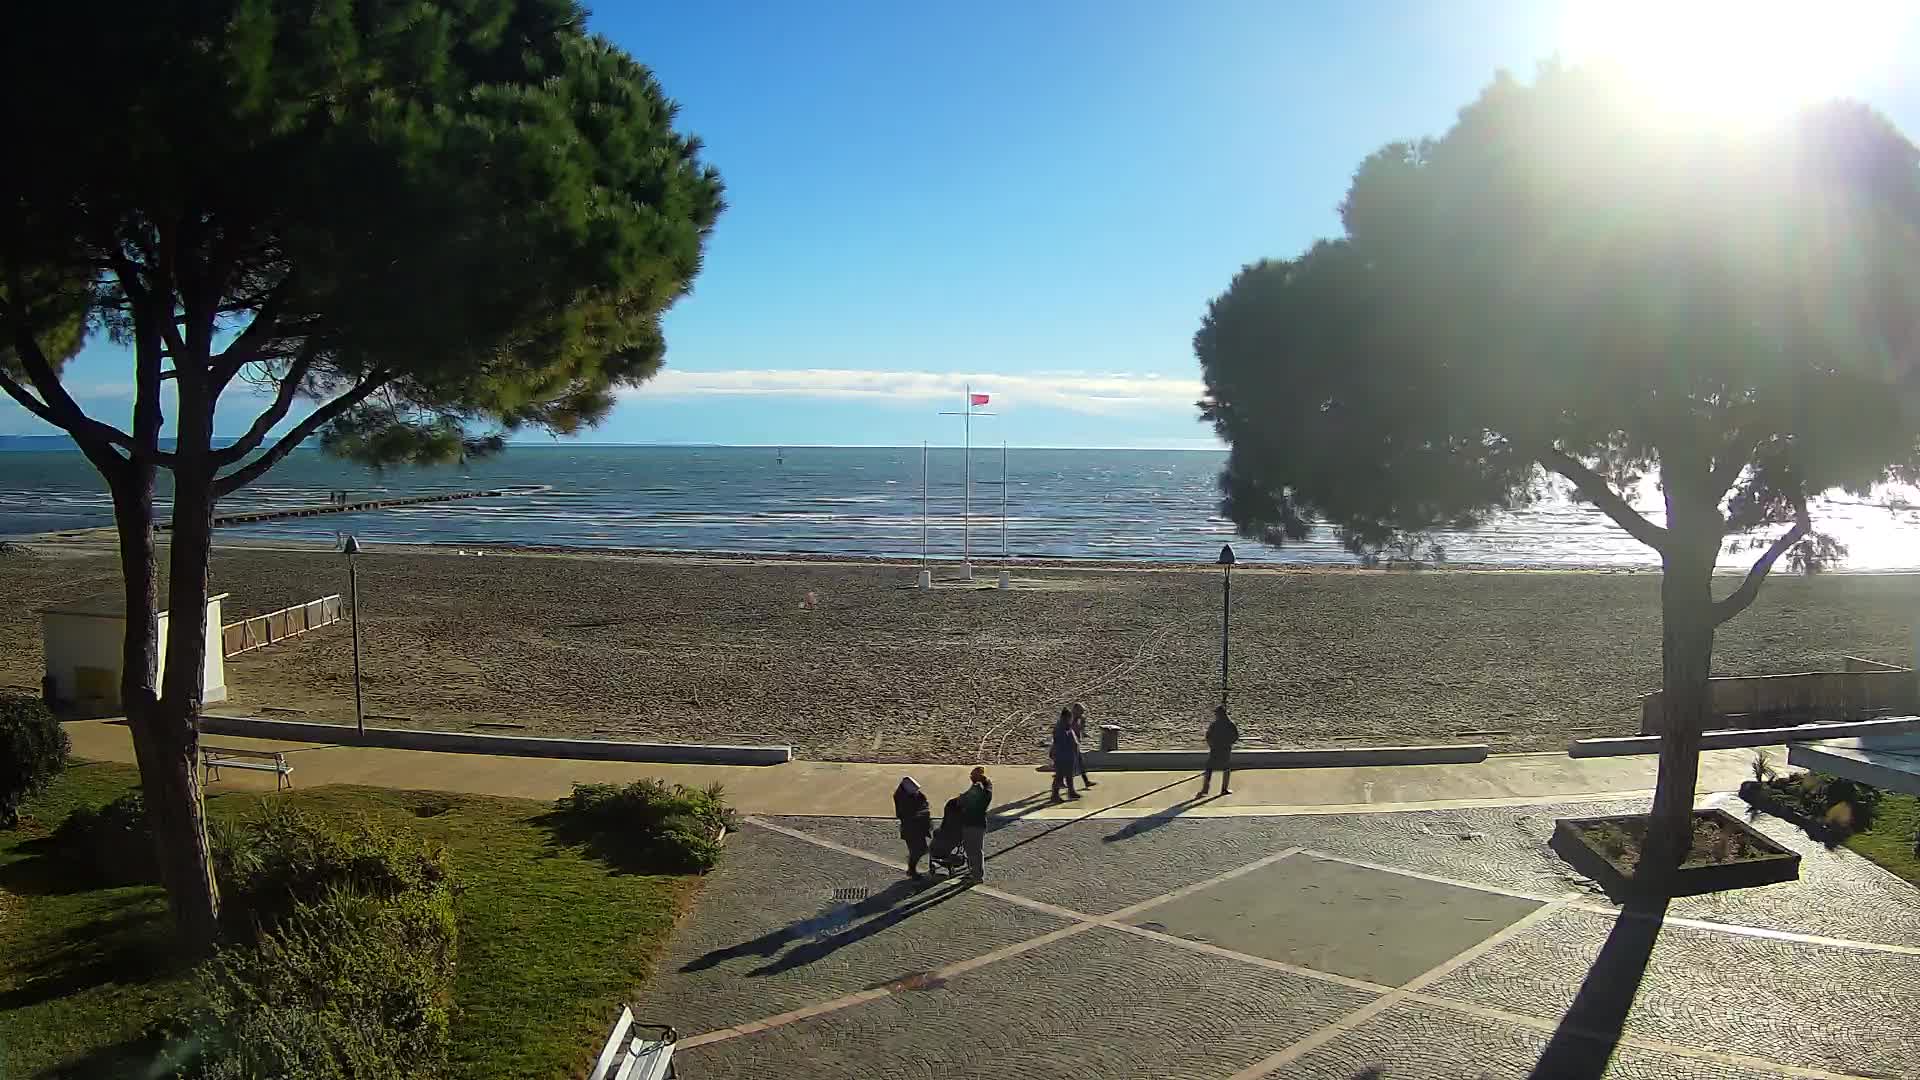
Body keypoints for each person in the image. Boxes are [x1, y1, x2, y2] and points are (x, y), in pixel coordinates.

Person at [893, 776, 932, 878]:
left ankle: (912, 867)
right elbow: (903, 814)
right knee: (918, 850)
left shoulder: (914, 795)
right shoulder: (902, 799)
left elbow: (924, 802)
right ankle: (911, 869)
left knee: (920, 849)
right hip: (911, 829)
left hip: (917, 828)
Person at [959, 766, 992, 882]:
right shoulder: (984, 791)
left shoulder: (977, 792)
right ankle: (974, 873)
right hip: (978, 824)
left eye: (972, 775)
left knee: (973, 851)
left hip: (972, 824)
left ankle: (976, 876)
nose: (971, 777)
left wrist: (962, 798)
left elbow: (963, 801)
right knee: (975, 851)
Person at [1199, 702, 1239, 797]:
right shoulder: (1230, 724)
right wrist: (1229, 744)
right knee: (1226, 769)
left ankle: (1205, 789)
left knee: (1209, 768)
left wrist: (1212, 745)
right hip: (1225, 749)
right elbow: (1235, 736)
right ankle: (1223, 789)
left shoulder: (1215, 724)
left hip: (1216, 749)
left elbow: (1208, 736)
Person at [1049, 709, 1082, 803]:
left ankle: (1071, 792)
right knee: (1059, 776)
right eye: (1070, 718)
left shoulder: (1066, 726)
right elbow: (1061, 742)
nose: (1071, 720)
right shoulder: (1060, 728)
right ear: (1066, 717)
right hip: (1062, 755)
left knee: (1069, 775)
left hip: (1068, 754)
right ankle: (1054, 795)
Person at [1067, 702, 1097, 788]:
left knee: (1079, 763)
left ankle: (1086, 781)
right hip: (1068, 744)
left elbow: (1081, 731)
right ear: (1075, 711)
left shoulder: (1080, 719)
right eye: (1080, 711)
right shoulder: (1069, 719)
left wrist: (1084, 731)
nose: (1082, 713)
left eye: (1082, 711)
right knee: (1071, 764)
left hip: (1075, 744)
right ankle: (1063, 783)